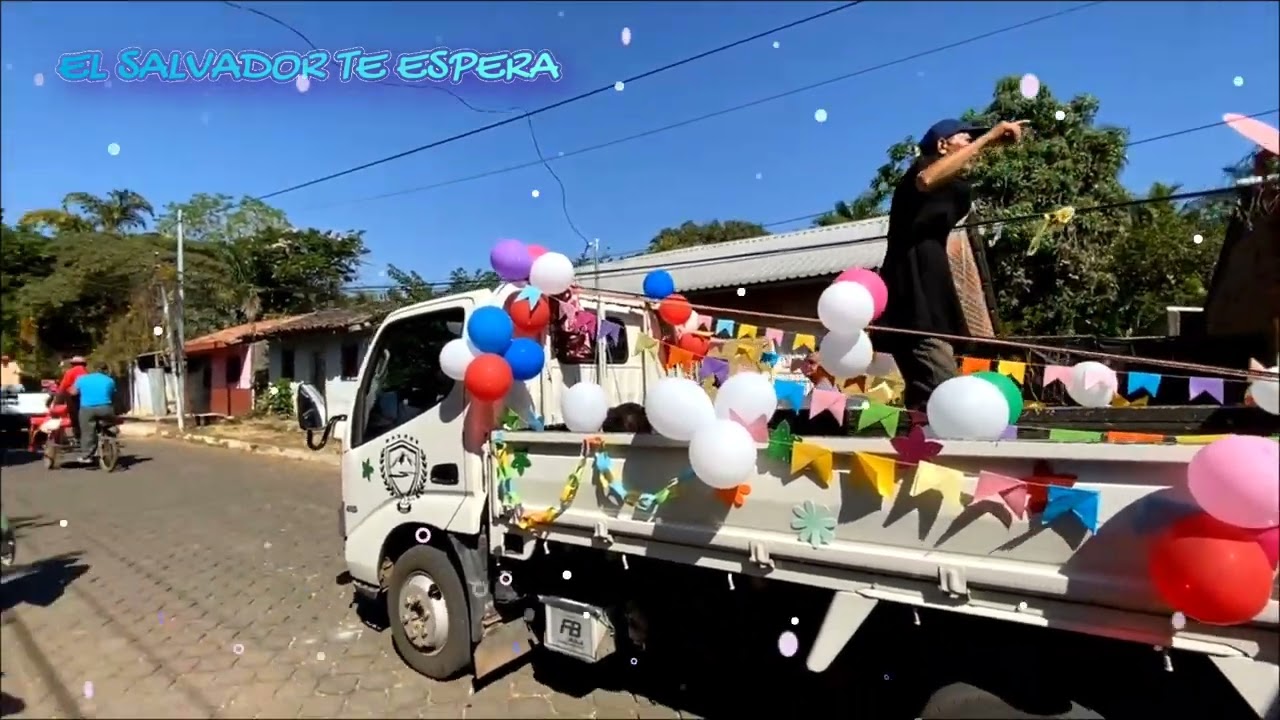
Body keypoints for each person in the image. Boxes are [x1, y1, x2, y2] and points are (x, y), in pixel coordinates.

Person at [877, 117, 1026, 411]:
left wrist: (994, 143)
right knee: (950, 396)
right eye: (966, 139)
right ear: (942, 145)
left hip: (932, 297)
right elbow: (928, 180)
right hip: (914, 302)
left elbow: (954, 173)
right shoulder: (919, 174)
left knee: (926, 400)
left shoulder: (956, 184)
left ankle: (919, 442)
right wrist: (989, 136)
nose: (972, 144)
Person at [71, 362, 117, 462]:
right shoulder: (110, 380)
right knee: (110, 422)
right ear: (106, 370)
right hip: (105, 408)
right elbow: (113, 394)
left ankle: (87, 456)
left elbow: (73, 392)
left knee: (87, 431)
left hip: (87, 409)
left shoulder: (82, 379)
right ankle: (112, 435)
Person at [54, 356, 89, 447]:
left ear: (72, 364)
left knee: (74, 417)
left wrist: (56, 402)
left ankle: (77, 436)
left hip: (72, 397)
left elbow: (62, 388)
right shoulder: (86, 372)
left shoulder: (69, 372)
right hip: (85, 397)